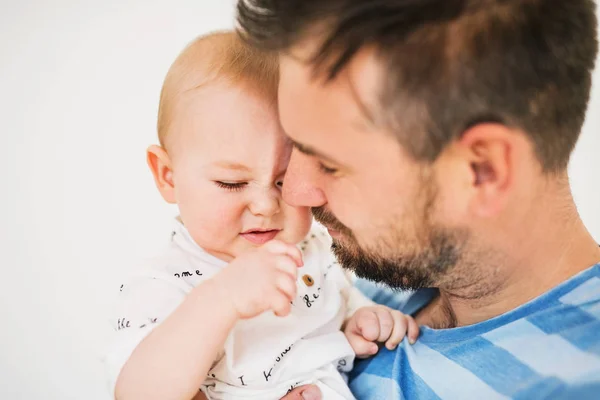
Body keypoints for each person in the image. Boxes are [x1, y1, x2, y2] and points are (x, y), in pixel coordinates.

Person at [236, 0, 600, 398]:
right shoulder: (363, 282)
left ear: (483, 171)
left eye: (330, 164)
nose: (293, 193)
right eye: (295, 147)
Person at [104, 31, 419, 400]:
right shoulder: (164, 283)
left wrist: (358, 323)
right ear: (167, 176)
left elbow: (333, 311)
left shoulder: (313, 248)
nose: (266, 206)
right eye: (233, 183)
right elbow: (139, 393)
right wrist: (222, 298)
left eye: (285, 180)